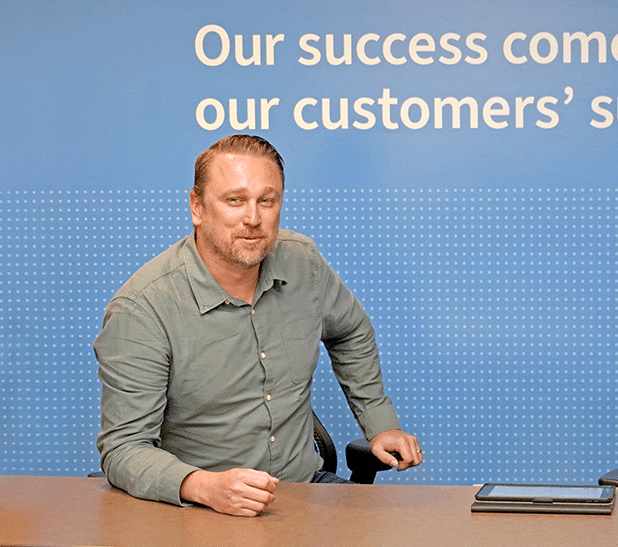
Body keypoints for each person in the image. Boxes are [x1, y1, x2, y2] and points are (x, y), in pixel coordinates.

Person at [95, 134, 423, 517]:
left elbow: (351, 331)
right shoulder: (143, 307)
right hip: (199, 507)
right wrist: (203, 486)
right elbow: (124, 448)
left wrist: (379, 423)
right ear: (197, 207)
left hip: (304, 489)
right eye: (235, 200)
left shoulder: (303, 263)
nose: (253, 219)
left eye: (267, 201)